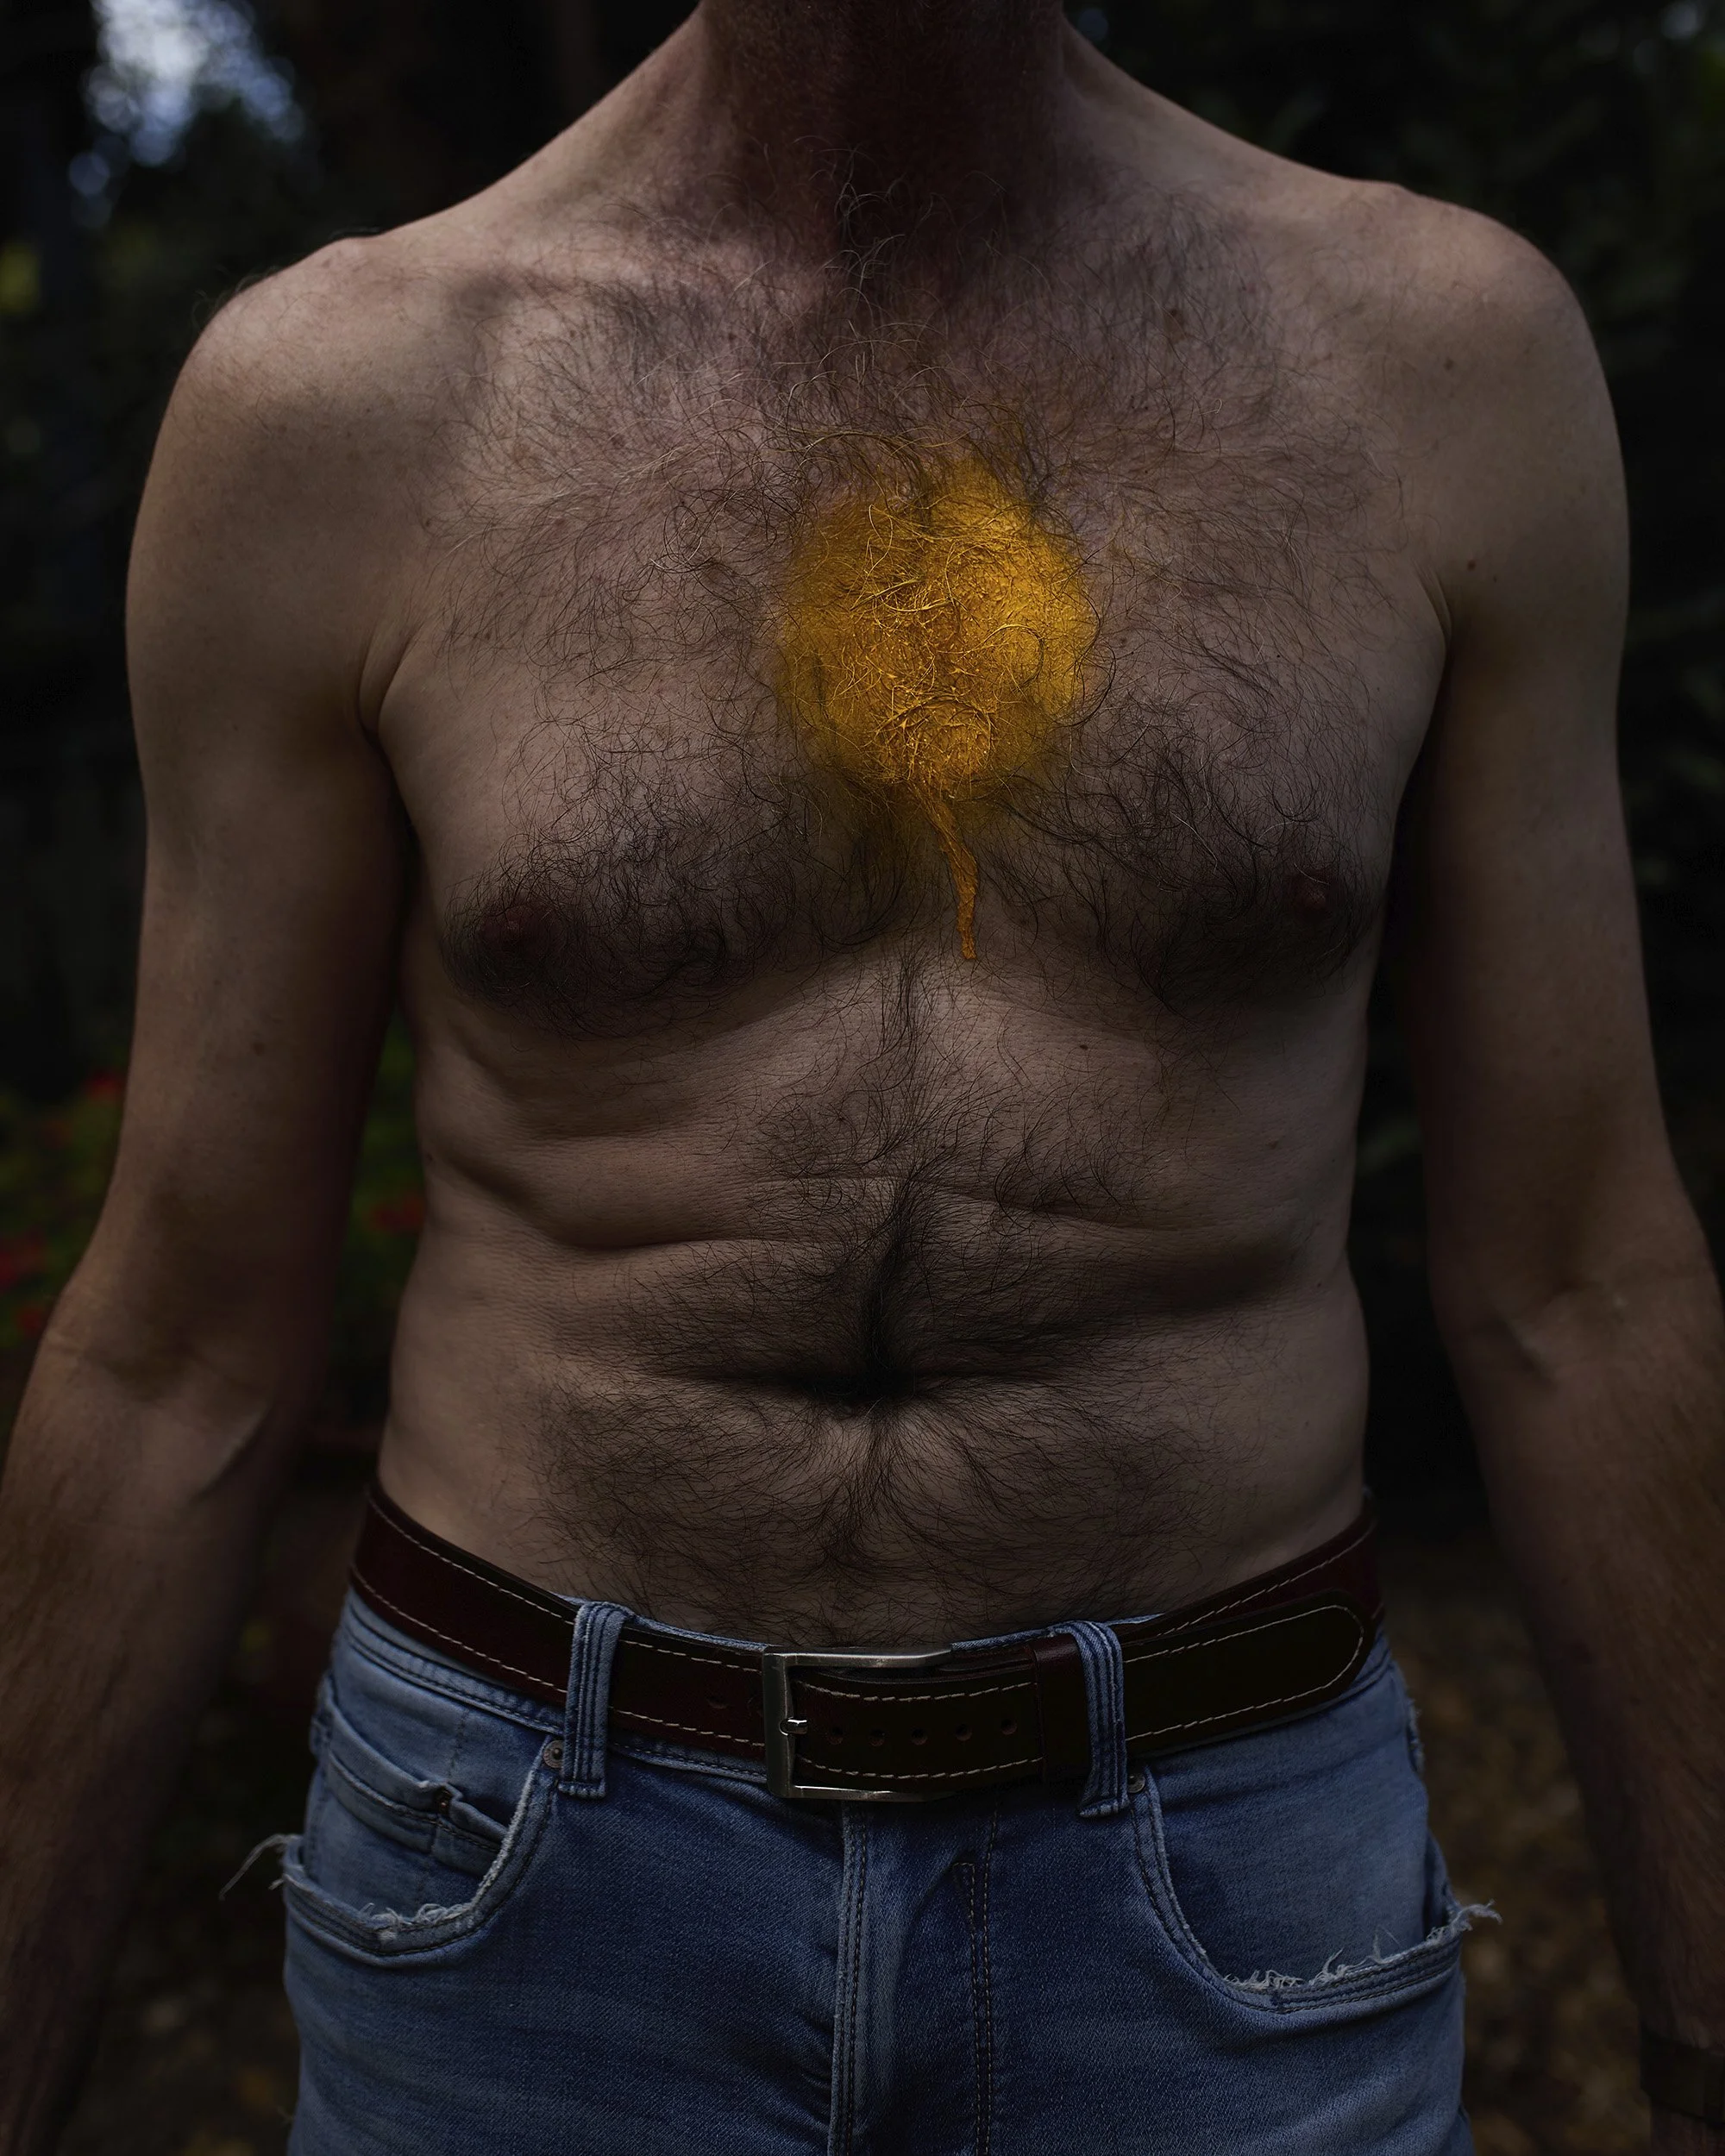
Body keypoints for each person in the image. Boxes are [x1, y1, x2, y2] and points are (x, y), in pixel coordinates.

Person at [2, 3, 1722, 2149]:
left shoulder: (1435, 362)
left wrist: (1703, 2011)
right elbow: (176, 1343)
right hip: (530, 1883)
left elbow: (1579, 1280)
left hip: (1221, 1848)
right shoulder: (344, 403)